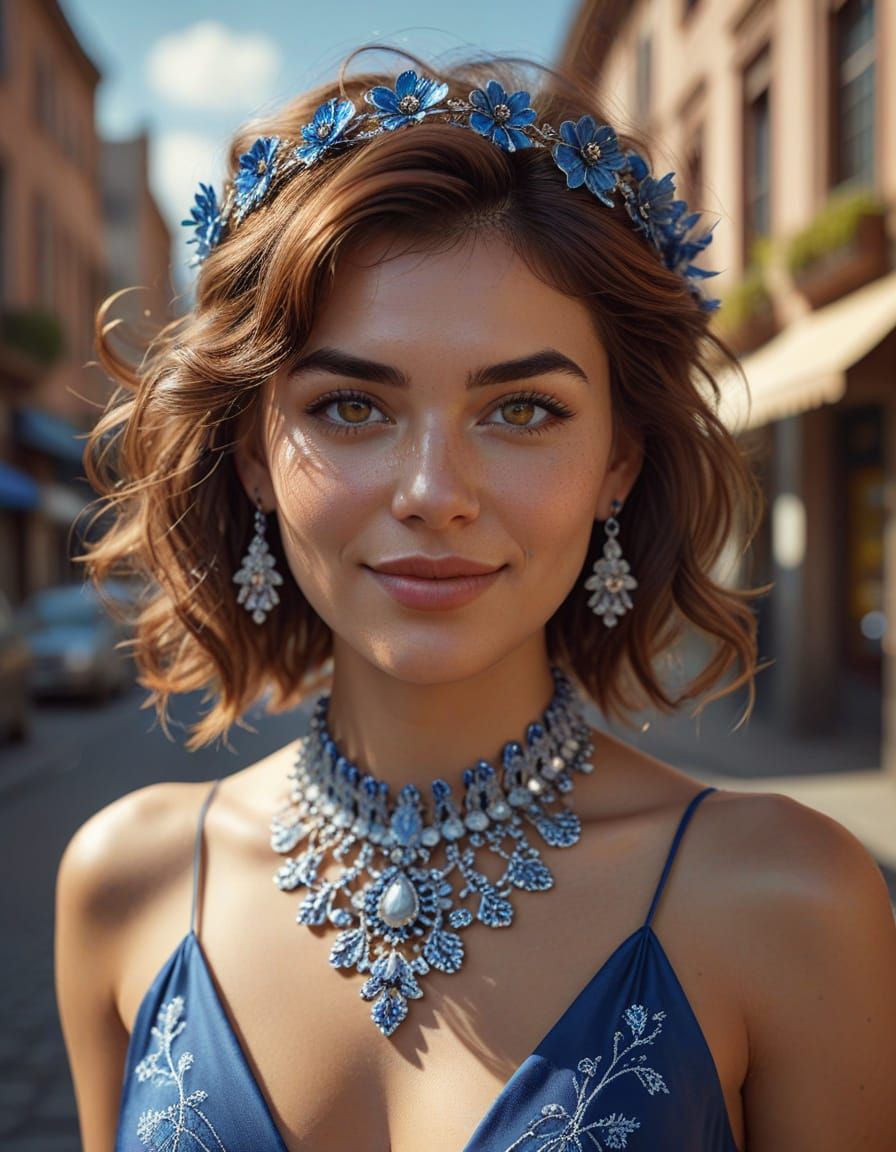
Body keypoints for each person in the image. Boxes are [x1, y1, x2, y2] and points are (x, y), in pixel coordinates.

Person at [55, 46, 896, 1152]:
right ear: (253, 454)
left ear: (619, 462)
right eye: (351, 406)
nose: (432, 494)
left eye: (523, 411)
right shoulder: (125, 883)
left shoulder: (794, 899)